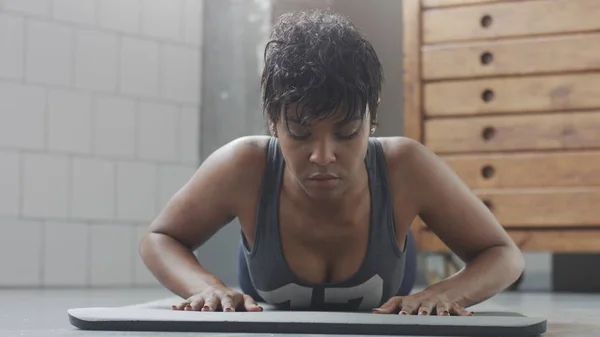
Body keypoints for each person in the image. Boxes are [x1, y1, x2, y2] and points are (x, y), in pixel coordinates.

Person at [139, 9, 524, 316]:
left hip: (394, 267)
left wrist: (442, 293)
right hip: (259, 270)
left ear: (372, 118)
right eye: (300, 133)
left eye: (346, 132)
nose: (322, 156)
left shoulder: (405, 165)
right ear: (273, 121)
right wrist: (206, 287)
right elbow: (159, 238)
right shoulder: (245, 164)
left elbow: (504, 255)